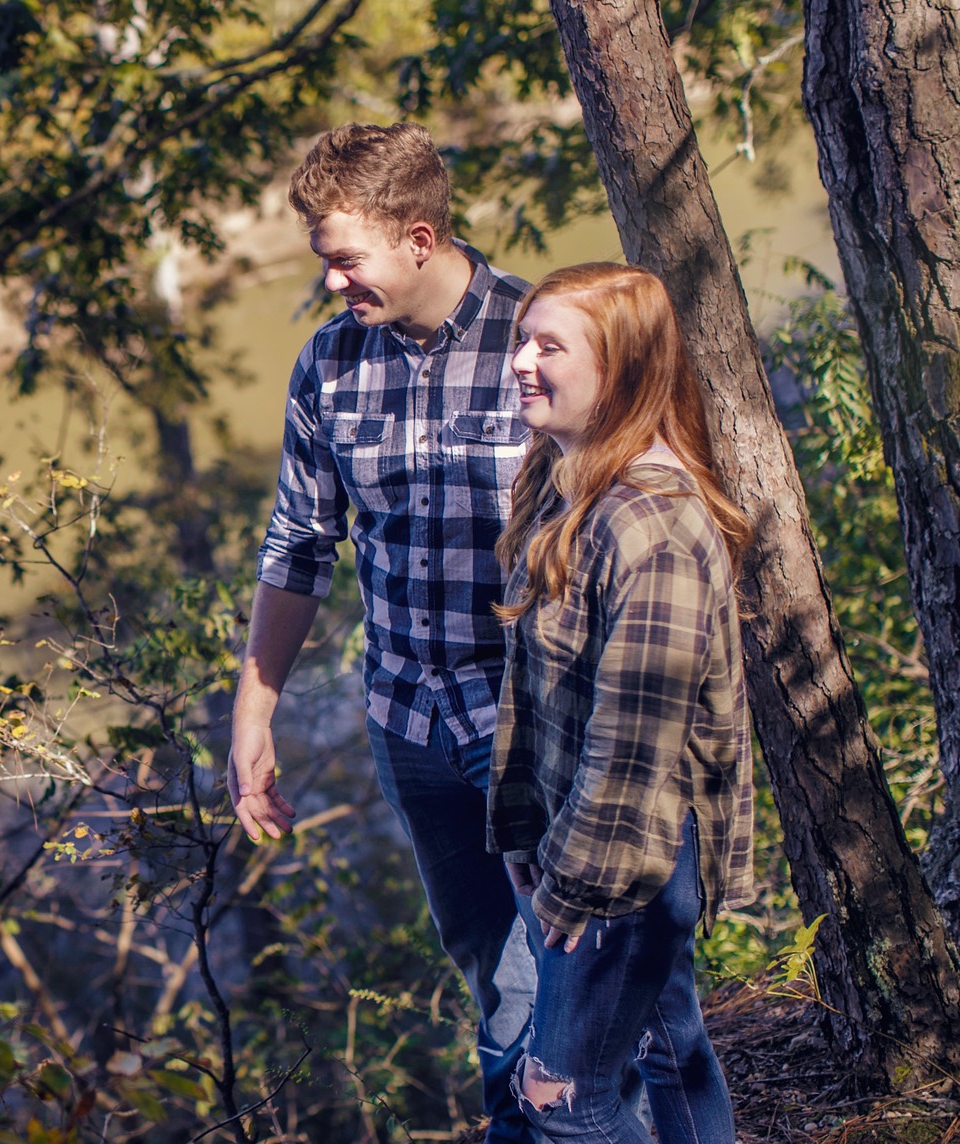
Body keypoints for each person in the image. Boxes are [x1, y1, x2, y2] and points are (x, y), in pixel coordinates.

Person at [228, 122, 541, 1142]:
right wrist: (254, 719)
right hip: (409, 719)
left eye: (343, 260)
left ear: (418, 237)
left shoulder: (545, 341)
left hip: (535, 716)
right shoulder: (329, 362)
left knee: (575, 964)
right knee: (489, 966)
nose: (332, 285)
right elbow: (298, 544)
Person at [487, 262, 752, 1142]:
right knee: (666, 1045)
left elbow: (633, 749)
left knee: (562, 1099)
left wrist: (570, 886)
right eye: (524, 338)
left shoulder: (653, 527)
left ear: (622, 370)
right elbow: (545, 701)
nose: (521, 360)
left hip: (621, 864)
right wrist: (525, 830)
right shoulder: (568, 482)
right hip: (585, 842)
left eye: (548, 345)